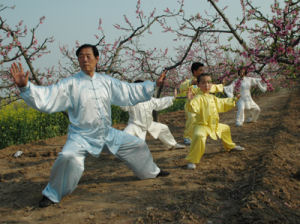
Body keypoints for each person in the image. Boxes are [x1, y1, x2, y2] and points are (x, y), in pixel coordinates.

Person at [9, 44, 169, 208]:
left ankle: (152, 172)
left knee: (138, 145)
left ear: (97, 59)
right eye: (81, 57)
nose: (84, 59)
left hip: (106, 133)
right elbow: (48, 96)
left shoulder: (106, 81)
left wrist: (152, 85)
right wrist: (25, 87)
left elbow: (128, 90)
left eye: (88, 56)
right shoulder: (70, 84)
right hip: (80, 136)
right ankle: (52, 194)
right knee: (67, 157)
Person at [185, 73, 244, 170]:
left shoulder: (212, 97)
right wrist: (190, 100)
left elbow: (222, 103)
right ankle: (192, 160)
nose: (207, 85)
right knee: (199, 136)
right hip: (201, 126)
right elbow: (192, 108)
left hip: (214, 125)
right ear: (198, 85)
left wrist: (234, 99)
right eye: (203, 83)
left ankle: (230, 146)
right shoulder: (198, 98)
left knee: (225, 128)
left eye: (209, 82)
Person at [121, 80, 185, 149]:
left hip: (149, 123)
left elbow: (159, 102)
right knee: (126, 136)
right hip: (135, 125)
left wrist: (172, 98)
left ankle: (172, 145)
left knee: (163, 128)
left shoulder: (149, 99)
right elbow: (124, 107)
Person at [178, 62, 224, 145]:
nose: (203, 71)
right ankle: (187, 137)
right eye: (200, 70)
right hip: (191, 105)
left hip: (202, 106)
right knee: (192, 118)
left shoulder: (204, 82)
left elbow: (213, 87)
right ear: (194, 71)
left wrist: (222, 86)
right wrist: (191, 82)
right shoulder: (189, 82)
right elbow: (181, 87)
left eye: (203, 70)